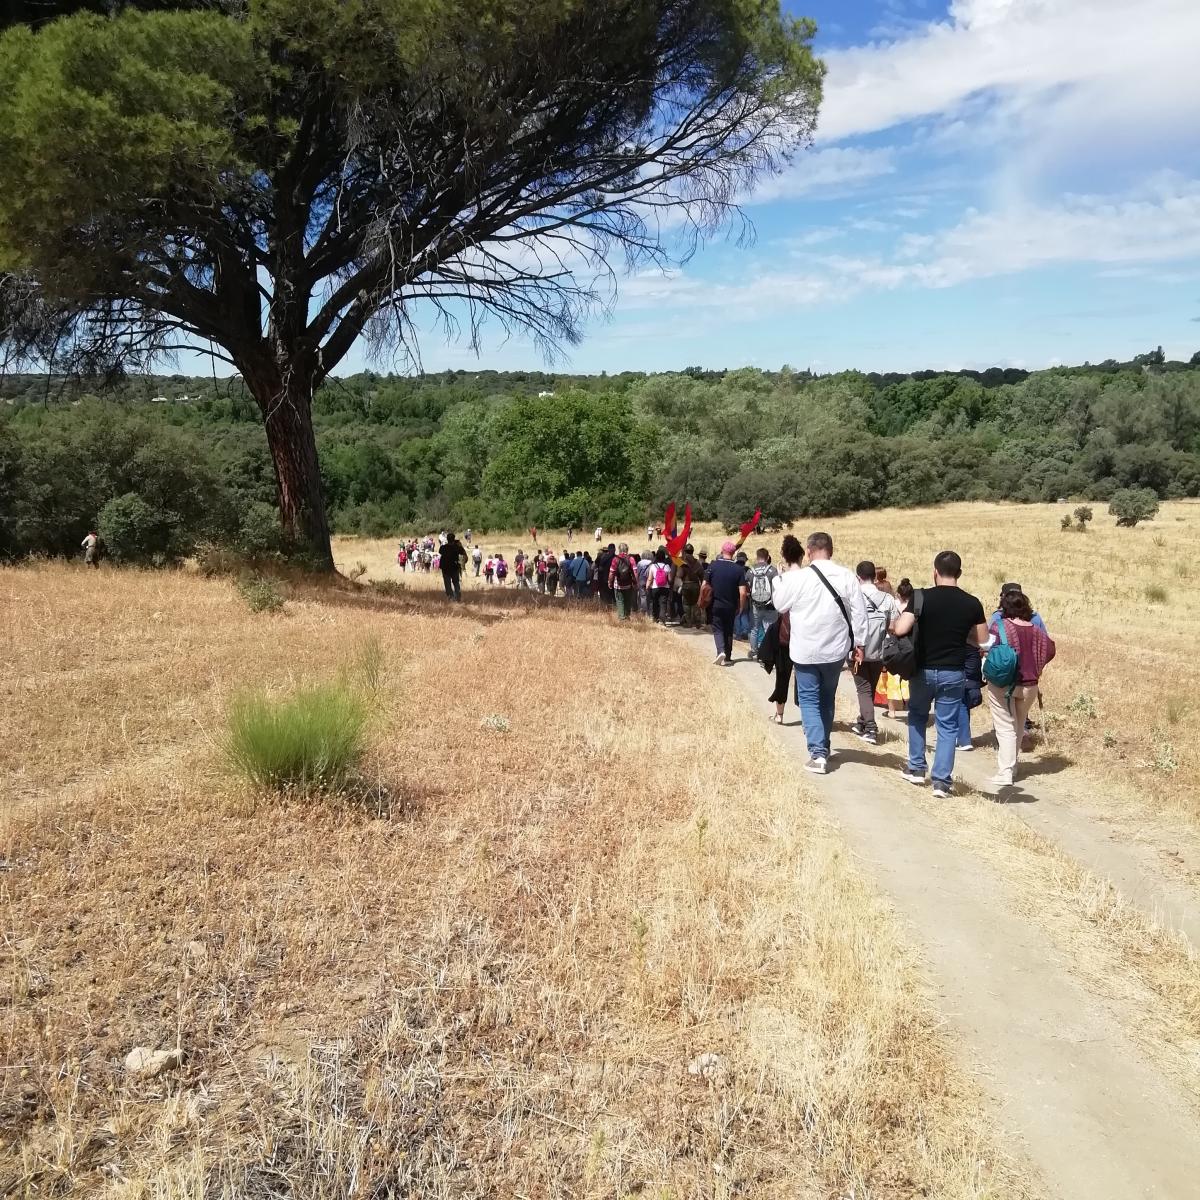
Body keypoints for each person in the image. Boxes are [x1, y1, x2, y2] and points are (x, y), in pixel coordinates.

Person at [891, 551, 987, 799]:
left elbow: (901, 628)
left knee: (917, 717)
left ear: (935, 571)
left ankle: (915, 768)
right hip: (953, 672)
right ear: (960, 573)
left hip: (922, 670)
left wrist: (888, 624)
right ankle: (942, 782)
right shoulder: (972, 603)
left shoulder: (921, 597)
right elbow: (982, 640)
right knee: (947, 727)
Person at [771, 532, 867, 774]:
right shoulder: (847, 576)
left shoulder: (799, 577)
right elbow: (859, 613)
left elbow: (780, 605)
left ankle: (818, 753)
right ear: (831, 550)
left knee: (809, 700)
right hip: (835, 650)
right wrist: (860, 644)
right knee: (826, 698)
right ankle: (823, 744)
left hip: (805, 649)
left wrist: (780, 579)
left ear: (810, 550)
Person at [984, 591, 1057, 789]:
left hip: (1004, 684)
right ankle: (1012, 766)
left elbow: (986, 647)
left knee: (1005, 726)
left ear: (1004, 607)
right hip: (1030, 686)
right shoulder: (1036, 630)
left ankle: (1005, 772)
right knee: (1017, 725)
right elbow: (1050, 649)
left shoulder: (1000, 627)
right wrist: (1037, 665)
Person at [851, 560, 901, 746]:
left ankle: (871, 728)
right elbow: (893, 626)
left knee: (863, 689)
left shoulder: (854, 597)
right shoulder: (887, 599)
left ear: (858, 577)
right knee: (870, 688)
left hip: (858, 650)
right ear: (875, 576)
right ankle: (862, 722)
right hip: (880, 650)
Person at [703, 540, 748, 665]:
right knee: (729, 629)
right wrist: (741, 607)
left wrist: (703, 601)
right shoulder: (739, 570)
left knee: (717, 628)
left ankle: (720, 651)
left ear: (722, 551)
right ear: (733, 553)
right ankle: (728, 656)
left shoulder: (712, 566)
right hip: (731, 605)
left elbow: (704, 585)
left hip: (715, 603)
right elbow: (743, 592)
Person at [746, 548, 779, 660]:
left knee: (754, 629)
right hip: (770, 605)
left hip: (755, 605)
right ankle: (768, 654)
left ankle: (754, 652)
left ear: (757, 556)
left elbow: (747, 588)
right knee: (769, 629)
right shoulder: (772, 570)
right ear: (768, 557)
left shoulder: (750, 571)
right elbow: (777, 588)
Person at [609, 542, 639, 619]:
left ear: (619, 550)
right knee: (628, 601)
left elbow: (611, 573)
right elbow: (635, 572)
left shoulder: (615, 559)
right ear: (627, 549)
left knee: (619, 601)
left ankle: (622, 618)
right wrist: (636, 583)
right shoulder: (631, 559)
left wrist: (610, 582)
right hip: (628, 584)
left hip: (618, 585)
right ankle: (627, 616)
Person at [678, 544, 704, 628]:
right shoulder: (698, 563)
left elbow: (680, 574)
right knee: (695, 604)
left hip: (686, 585)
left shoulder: (683, 562)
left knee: (686, 604)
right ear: (692, 552)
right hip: (696, 586)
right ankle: (698, 622)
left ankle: (689, 622)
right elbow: (702, 576)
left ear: (685, 551)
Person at [647, 548, 673, 624]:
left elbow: (650, 578)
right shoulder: (667, 566)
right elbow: (670, 579)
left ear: (656, 557)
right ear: (664, 557)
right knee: (663, 603)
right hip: (665, 588)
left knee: (655, 603)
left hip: (655, 587)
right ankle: (662, 620)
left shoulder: (653, 566)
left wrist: (647, 586)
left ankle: (655, 618)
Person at [440, 531, 467, 601]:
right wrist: (459, 545)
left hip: (445, 568)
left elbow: (440, 551)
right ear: (454, 539)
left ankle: (451, 597)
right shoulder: (457, 547)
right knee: (456, 582)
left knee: (447, 583)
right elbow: (464, 553)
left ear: (447, 539)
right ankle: (457, 597)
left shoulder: (443, 547)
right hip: (454, 567)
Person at [596, 543, 617, 607]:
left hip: (606, 579)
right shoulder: (617, 558)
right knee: (615, 596)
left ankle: (608, 608)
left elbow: (600, 569)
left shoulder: (604, 558)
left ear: (608, 549)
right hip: (615, 580)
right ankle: (615, 607)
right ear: (615, 549)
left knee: (607, 596)